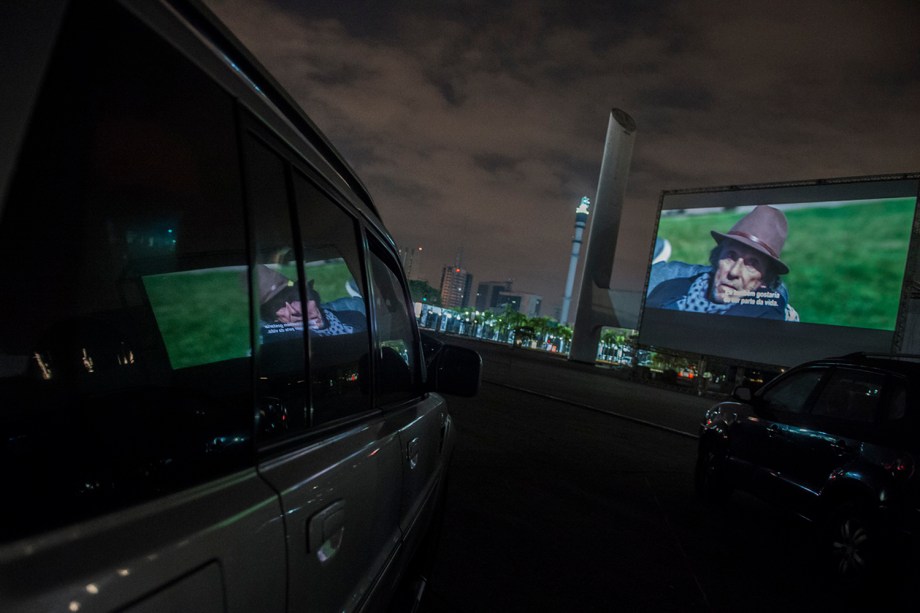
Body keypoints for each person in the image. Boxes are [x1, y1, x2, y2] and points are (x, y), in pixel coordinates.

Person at [646, 205, 793, 320]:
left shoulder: (765, 314)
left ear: (764, 281)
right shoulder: (669, 287)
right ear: (717, 259)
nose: (734, 272)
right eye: (731, 255)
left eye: (752, 264)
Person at [258, 266, 365, 336]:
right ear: (275, 320)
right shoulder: (271, 340)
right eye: (278, 306)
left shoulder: (355, 314)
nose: (295, 310)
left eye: (296, 297)